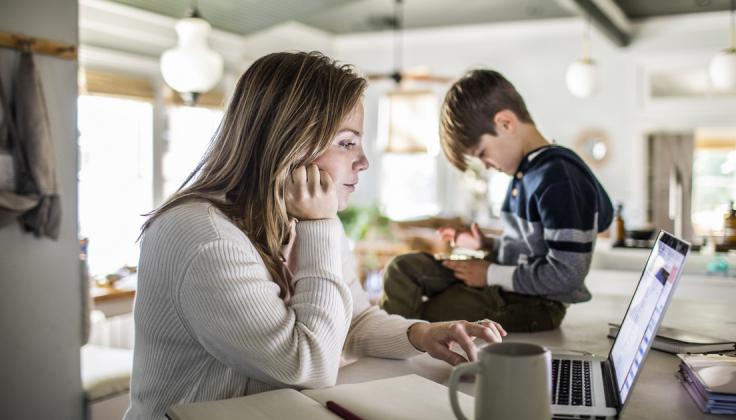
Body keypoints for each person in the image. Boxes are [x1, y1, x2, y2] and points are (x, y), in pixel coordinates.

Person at [125, 52, 505, 420]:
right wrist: (320, 227)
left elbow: (352, 320)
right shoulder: (206, 237)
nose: (363, 161)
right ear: (290, 144)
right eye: (346, 143)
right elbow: (306, 366)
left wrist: (422, 335)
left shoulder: (304, 219)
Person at [380, 69, 613, 333]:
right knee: (402, 270)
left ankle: (401, 355)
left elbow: (567, 275)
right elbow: (531, 247)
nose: (487, 165)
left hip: (535, 303)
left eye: (482, 154)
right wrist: (486, 244)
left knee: (431, 314)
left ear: (505, 123)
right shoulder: (527, 173)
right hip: (504, 280)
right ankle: (394, 340)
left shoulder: (561, 178)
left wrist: (490, 274)